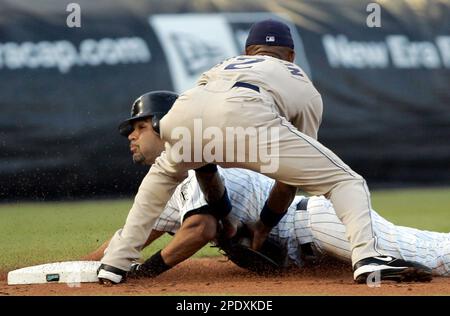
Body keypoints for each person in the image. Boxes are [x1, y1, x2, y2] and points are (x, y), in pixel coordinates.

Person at [98, 19, 431, 284]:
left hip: (183, 114)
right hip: (250, 116)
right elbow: (289, 180)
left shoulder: (221, 67)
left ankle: (115, 263)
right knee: (347, 182)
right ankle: (367, 259)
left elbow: (204, 166)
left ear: (247, 52)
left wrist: (227, 217)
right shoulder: (299, 79)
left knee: (162, 175)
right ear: (291, 56)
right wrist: (264, 226)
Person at [87, 93, 447, 280]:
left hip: (315, 225)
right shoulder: (168, 190)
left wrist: (146, 274)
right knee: (410, 265)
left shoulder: (199, 165)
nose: (131, 136)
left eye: (139, 126)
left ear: (166, 124)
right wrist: (82, 267)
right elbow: (126, 241)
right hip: (306, 258)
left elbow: (201, 228)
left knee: (427, 253)